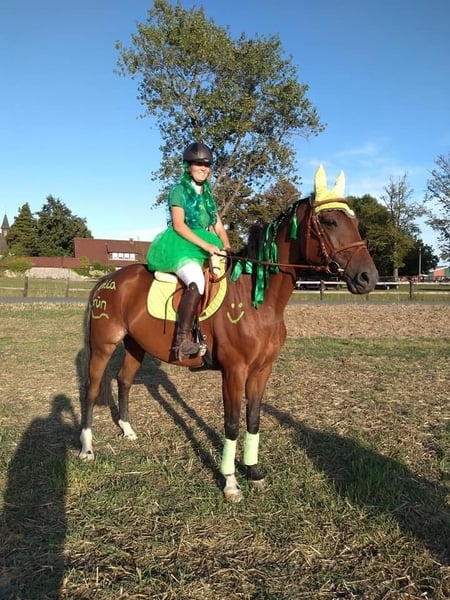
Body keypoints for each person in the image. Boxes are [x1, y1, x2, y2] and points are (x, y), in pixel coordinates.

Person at [147, 142, 231, 360]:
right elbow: (179, 225)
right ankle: (182, 341)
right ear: (188, 166)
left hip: (205, 244)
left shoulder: (208, 196)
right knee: (196, 280)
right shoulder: (179, 191)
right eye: (198, 164)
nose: (203, 168)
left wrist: (227, 246)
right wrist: (206, 245)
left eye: (207, 165)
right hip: (181, 244)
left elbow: (219, 226)